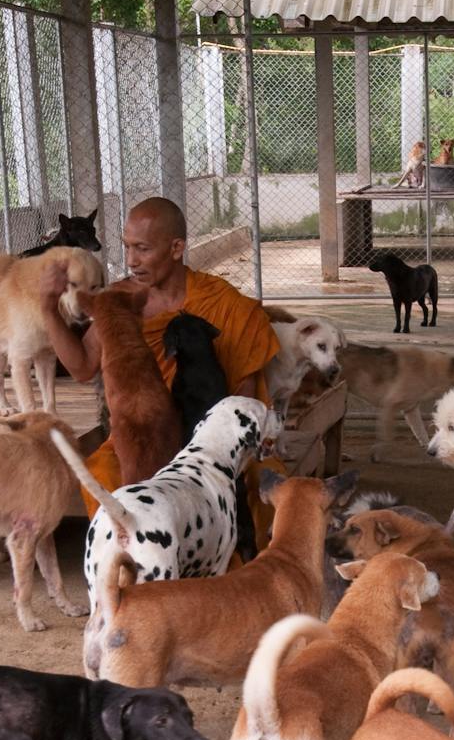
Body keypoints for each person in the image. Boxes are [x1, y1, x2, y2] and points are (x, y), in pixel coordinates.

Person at [38, 198, 280, 521]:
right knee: (103, 473)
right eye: (127, 248)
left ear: (176, 247)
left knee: (258, 482)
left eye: (142, 249)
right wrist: (48, 309)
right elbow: (82, 367)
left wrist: (223, 447)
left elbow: (244, 392)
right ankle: (133, 563)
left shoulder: (222, 302)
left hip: (210, 437)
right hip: (139, 438)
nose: (131, 260)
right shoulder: (119, 301)